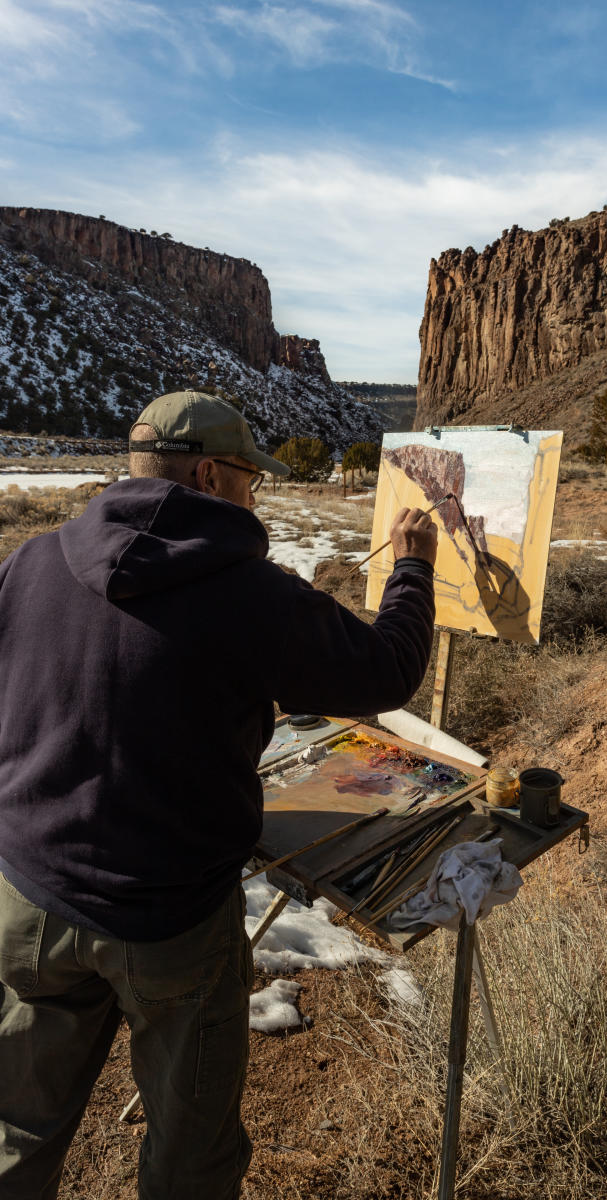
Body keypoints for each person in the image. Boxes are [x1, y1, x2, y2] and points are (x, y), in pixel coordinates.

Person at [0, 390, 437, 1199]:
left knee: (16, 1129)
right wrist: (412, 567)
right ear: (208, 473)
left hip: (28, 898)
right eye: (248, 479)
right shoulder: (251, 592)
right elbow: (387, 671)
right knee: (189, 1156)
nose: (254, 495)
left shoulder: (30, 559)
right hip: (166, 918)